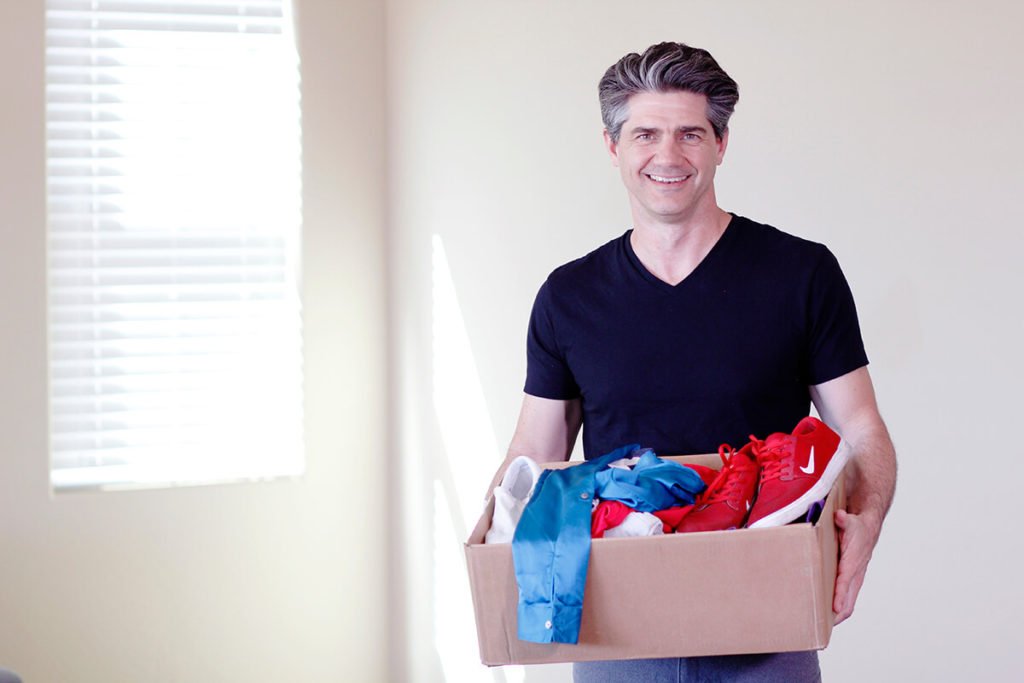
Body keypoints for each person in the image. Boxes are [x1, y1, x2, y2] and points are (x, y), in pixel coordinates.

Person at [489, 42, 897, 682]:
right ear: (612, 145)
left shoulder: (800, 274)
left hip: (765, 628)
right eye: (645, 133)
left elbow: (862, 426)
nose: (668, 155)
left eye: (690, 134)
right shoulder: (569, 297)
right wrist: (496, 556)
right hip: (615, 633)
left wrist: (865, 523)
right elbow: (534, 452)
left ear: (721, 144)